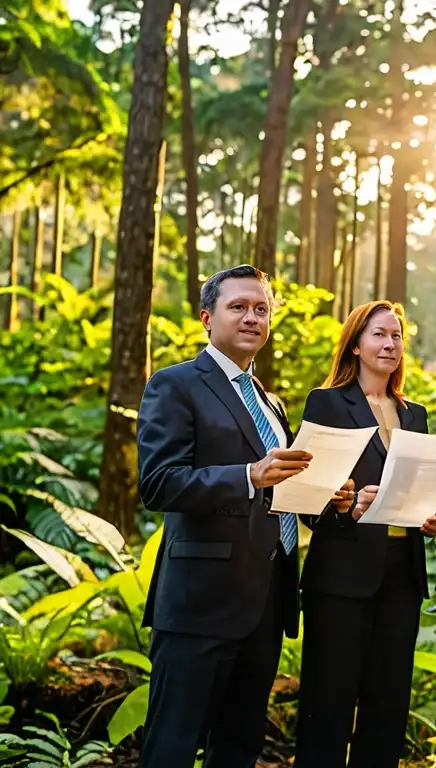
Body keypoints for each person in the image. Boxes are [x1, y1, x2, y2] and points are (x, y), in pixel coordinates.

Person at [136, 265, 353, 768]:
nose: (252, 317)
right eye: (238, 307)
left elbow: (282, 491)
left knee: (239, 745)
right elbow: (158, 483)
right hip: (200, 602)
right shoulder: (175, 385)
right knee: (172, 742)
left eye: (261, 309)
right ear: (207, 319)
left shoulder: (271, 402)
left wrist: (325, 496)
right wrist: (248, 475)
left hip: (267, 602)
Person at [294, 301, 436, 767]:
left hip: (402, 577)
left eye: (397, 336)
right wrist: (347, 505)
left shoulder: (414, 413)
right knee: (329, 702)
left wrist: (427, 516)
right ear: (356, 344)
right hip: (341, 576)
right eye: (379, 334)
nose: (389, 344)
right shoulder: (327, 403)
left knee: (387, 704)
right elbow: (308, 502)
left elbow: (416, 491)